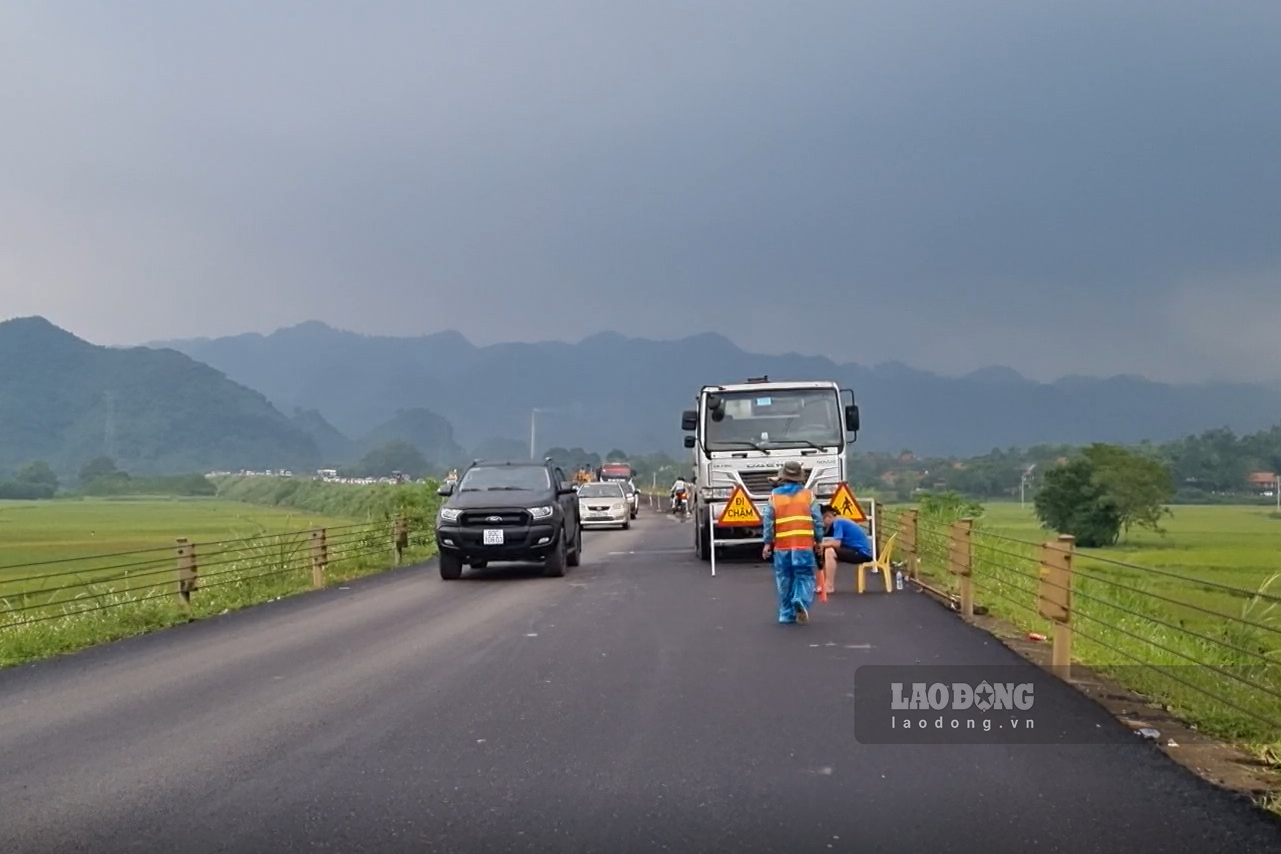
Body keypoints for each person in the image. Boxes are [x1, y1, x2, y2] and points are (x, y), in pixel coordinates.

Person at [761, 460, 824, 624]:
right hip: (804, 545)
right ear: (800, 477)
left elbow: (768, 522)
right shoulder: (808, 496)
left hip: (782, 546)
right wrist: (819, 540)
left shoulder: (774, 497)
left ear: (782, 477)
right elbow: (817, 520)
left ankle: (786, 614)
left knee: (784, 579)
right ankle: (800, 600)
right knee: (804, 575)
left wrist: (768, 543)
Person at [819, 505, 875, 594]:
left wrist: (822, 545)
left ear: (828, 516)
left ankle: (829, 586)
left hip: (862, 553)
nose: (822, 524)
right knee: (826, 552)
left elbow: (837, 543)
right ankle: (824, 584)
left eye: (822, 520)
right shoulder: (841, 521)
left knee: (829, 552)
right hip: (857, 550)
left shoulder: (838, 522)